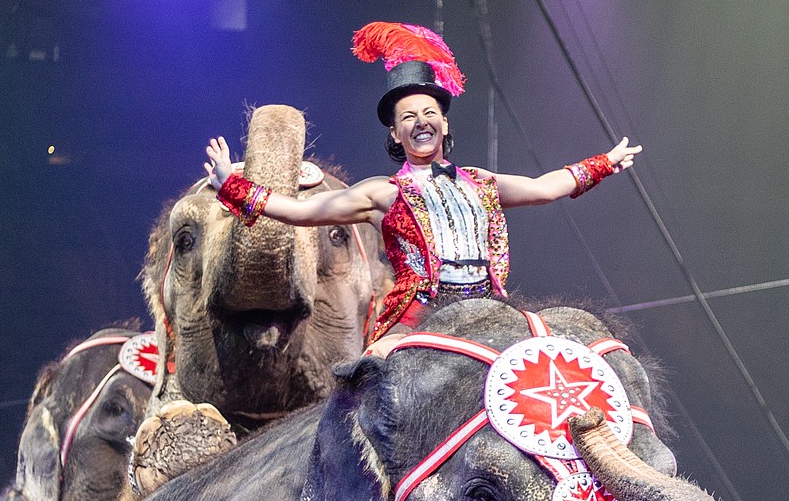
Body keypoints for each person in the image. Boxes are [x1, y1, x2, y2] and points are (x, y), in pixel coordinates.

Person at [205, 21, 639, 351]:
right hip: (418, 317)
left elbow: (545, 187)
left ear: (444, 122)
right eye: (407, 117)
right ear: (396, 135)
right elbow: (301, 212)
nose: (420, 122)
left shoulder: (479, 182)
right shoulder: (382, 193)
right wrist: (233, 187)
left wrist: (604, 162)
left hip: (489, 310)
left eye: (428, 112)